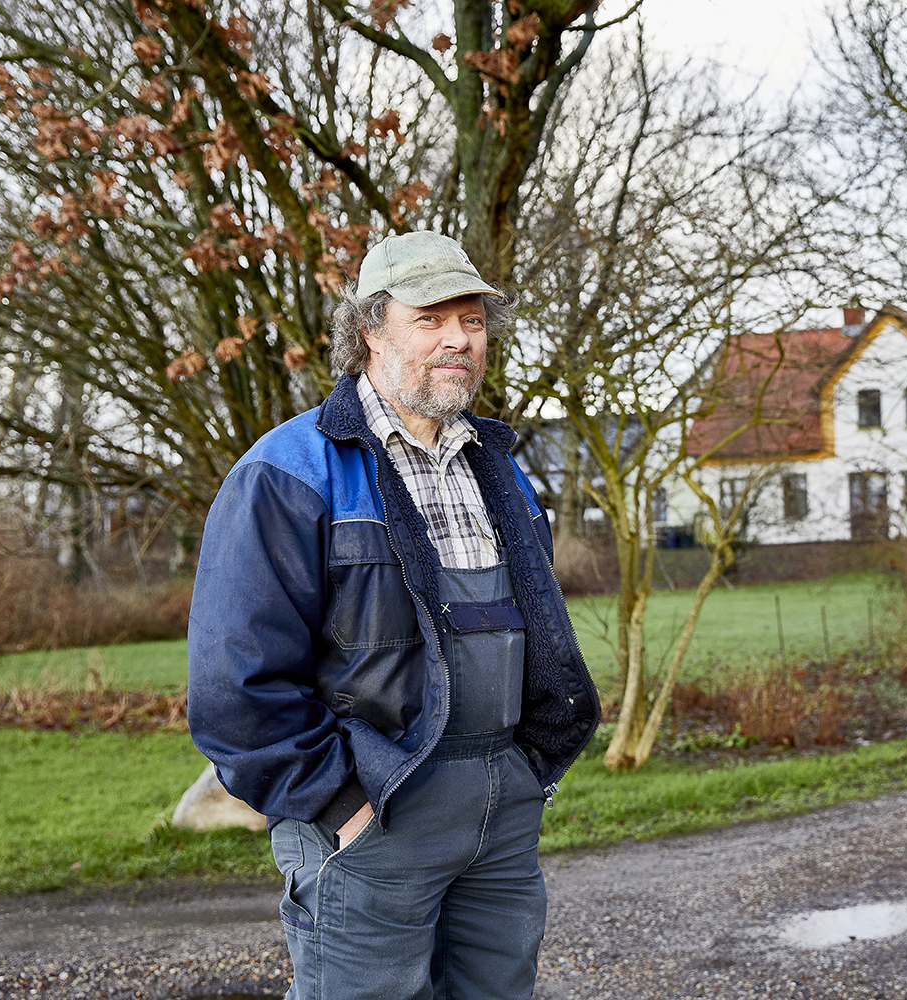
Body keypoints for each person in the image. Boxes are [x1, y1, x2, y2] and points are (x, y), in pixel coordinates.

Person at [187, 230, 600, 1000]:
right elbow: (235, 689)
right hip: (371, 815)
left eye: (472, 320)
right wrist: (341, 807)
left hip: (500, 813)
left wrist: (523, 778)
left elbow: (536, 631)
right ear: (370, 330)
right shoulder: (287, 473)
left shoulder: (499, 469)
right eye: (430, 318)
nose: (459, 338)